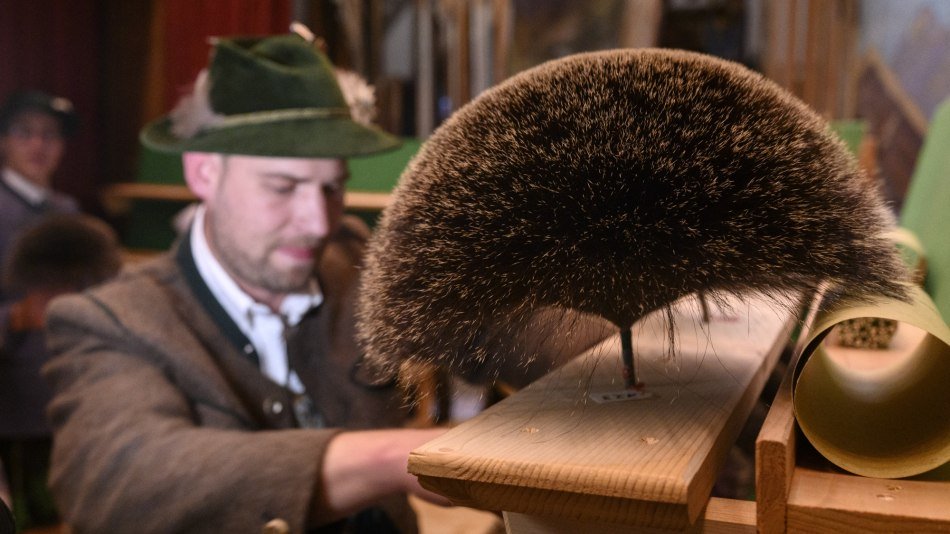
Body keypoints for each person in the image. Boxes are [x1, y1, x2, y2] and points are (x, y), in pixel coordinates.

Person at [42, 28, 449, 534]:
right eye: (283, 187)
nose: (317, 222)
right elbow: (119, 482)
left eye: (332, 188)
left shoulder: (353, 263)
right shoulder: (114, 322)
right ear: (204, 174)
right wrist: (391, 459)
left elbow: (492, 330)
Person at [0, 214, 122, 531]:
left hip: (72, 418)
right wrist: (15, 318)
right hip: (19, 420)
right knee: (28, 508)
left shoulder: (63, 209)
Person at [0, 90, 80, 300]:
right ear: (3, 140)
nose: (38, 145)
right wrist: (17, 314)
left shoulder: (67, 209)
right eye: (23, 132)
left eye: (50, 134)